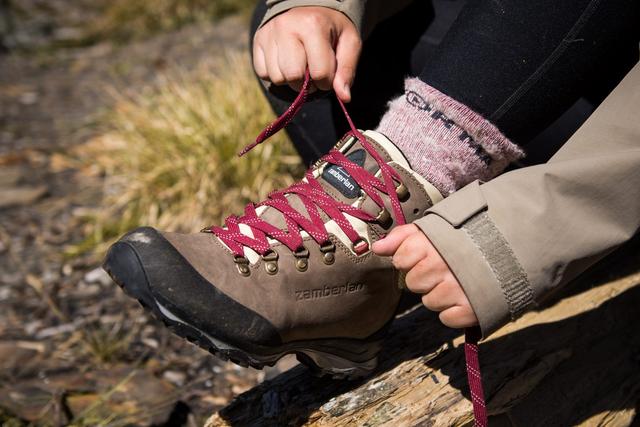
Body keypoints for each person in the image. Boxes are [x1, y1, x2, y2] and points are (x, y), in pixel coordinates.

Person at [103, 0, 639, 418]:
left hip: (605, 157)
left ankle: (368, 232)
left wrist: (529, 230)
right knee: (306, 35)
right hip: (535, 78)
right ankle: (359, 261)